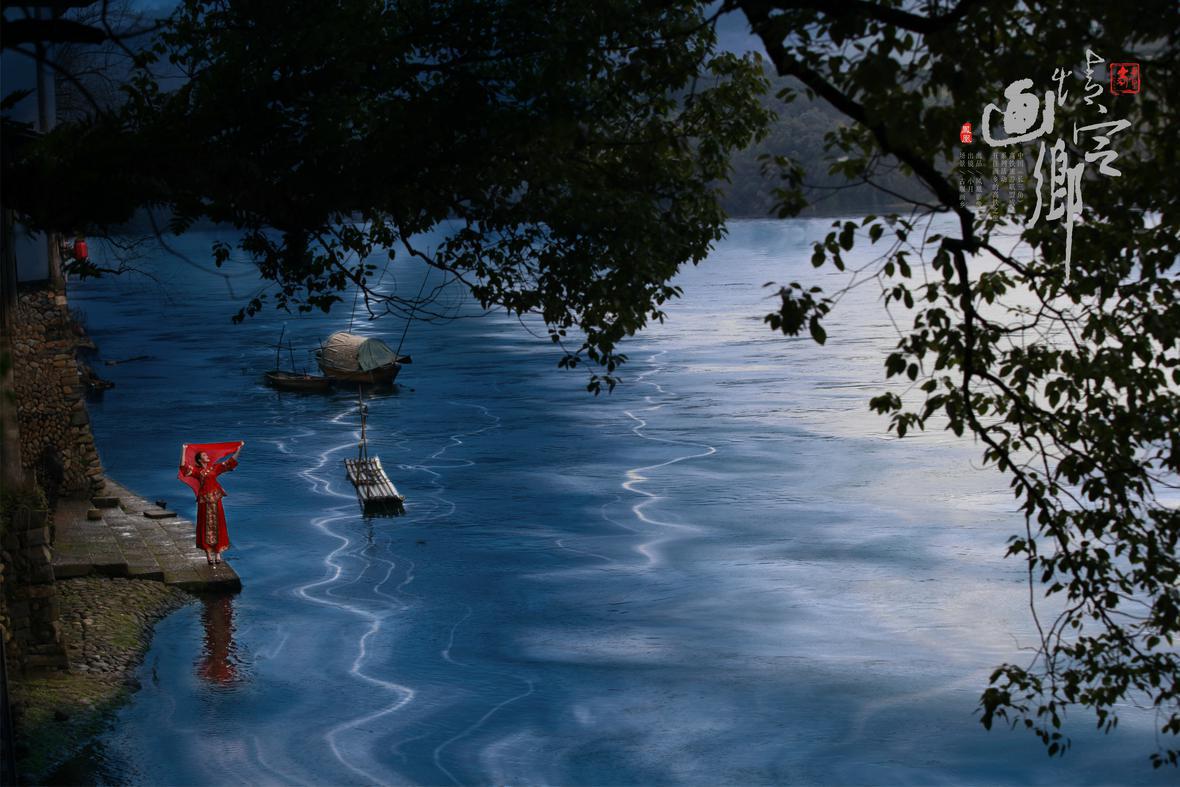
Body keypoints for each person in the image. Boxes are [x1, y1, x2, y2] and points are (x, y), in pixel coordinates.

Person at [178, 442, 243, 565]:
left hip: (216, 500)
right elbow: (183, 467)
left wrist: (238, 449)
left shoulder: (214, 468)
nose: (207, 456)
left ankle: (218, 553)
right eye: (204, 455)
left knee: (219, 524)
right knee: (204, 526)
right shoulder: (197, 471)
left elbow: (230, 462)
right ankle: (208, 554)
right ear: (199, 460)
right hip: (204, 502)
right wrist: (184, 449)